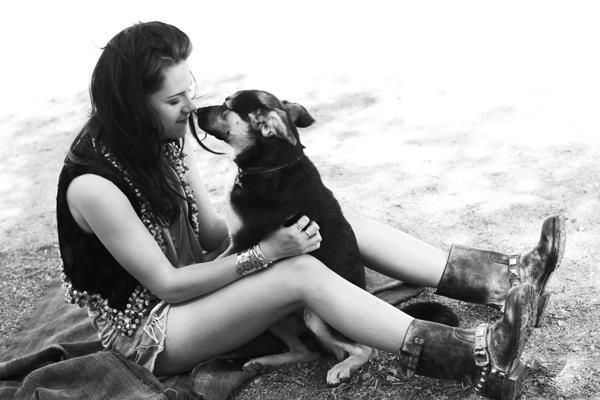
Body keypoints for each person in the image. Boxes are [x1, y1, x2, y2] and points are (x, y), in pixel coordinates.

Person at [56, 21, 565, 399]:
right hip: (153, 330)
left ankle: (509, 279)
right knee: (297, 269)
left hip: (199, 287)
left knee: (328, 218)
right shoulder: (94, 187)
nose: (190, 107)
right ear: (131, 105)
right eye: (174, 100)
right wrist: (265, 256)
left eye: (189, 90)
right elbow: (167, 285)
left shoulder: (161, 142)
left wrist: (281, 220)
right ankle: (477, 359)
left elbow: (212, 234)